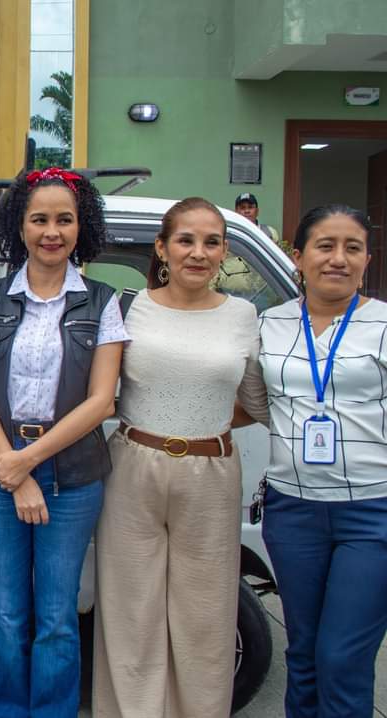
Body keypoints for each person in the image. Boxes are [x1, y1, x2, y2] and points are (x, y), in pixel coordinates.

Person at [0, 167, 126, 717]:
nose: (51, 232)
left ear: (82, 227)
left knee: (57, 617)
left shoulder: (102, 302)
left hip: (71, 477)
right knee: (8, 613)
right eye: (39, 219)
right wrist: (15, 473)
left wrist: (26, 464)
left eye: (64, 220)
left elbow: (101, 401)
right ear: (19, 226)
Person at [92, 197, 267, 717]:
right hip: (133, 465)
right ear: (162, 248)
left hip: (211, 472)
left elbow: (256, 402)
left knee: (205, 616)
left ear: (224, 252)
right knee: (130, 611)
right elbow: (102, 392)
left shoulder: (243, 316)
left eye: (211, 242)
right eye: (185, 240)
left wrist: (198, 423)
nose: (198, 252)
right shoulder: (128, 308)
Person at [256, 205, 387, 717]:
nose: (338, 258)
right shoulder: (269, 324)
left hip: (372, 513)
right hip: (293, 511)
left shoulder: (383, 323)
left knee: (342, 657)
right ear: (299, 256)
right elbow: (247, 397)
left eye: (352, 248)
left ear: (367, 260)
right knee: (305, 654)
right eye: (325, 246)